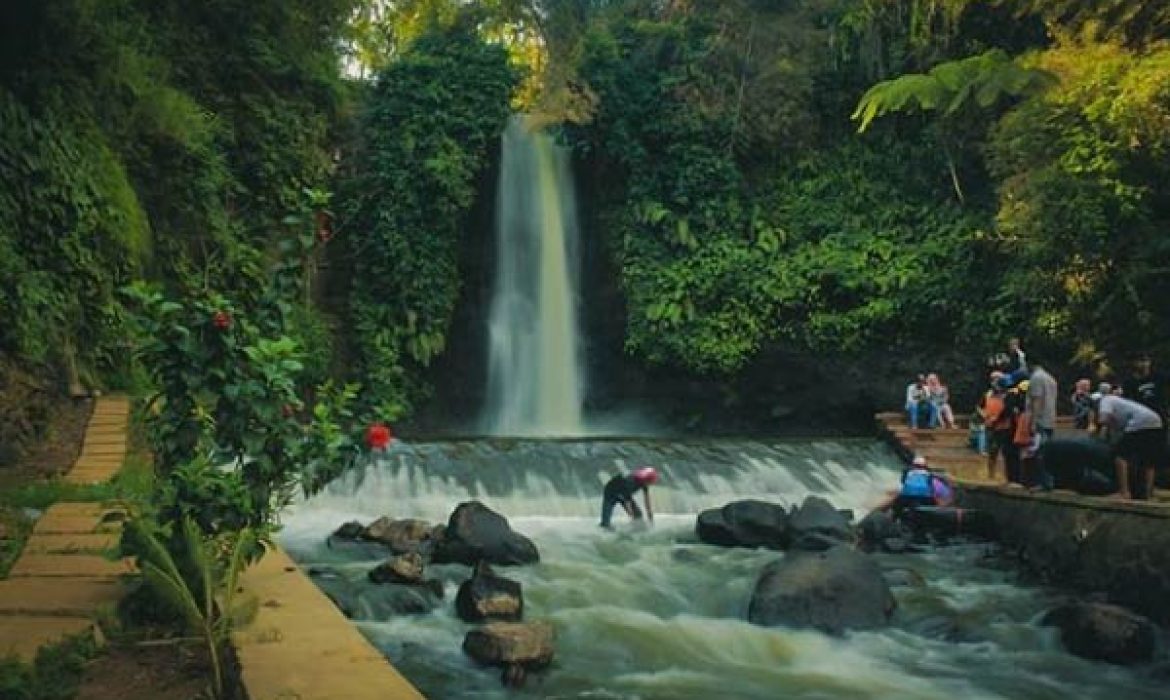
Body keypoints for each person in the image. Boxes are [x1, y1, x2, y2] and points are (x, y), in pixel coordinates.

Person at [1091, 393, 1164, 500]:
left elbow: (1103, 420)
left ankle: (1124, 492)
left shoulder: (1105, 400)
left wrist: (1098, 435)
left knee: (1120, 457)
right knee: (1148, 461)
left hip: (1140, 422)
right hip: (1156, 421)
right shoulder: (1121, 404)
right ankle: (1148, 494)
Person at [886, 456, 954, 517]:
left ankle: (894, 518)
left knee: (896, 508)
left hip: (907, 496)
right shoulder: (929, 474)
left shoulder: (907, 472)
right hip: (925, 497)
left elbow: (903, 482)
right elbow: (930, 486)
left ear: (913, 465)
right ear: (924, 466)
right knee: (934, 509)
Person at [1027, 360, 1058, 489]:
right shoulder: (1050, 378)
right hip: (1050, 419)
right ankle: (1049, 481)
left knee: (1039, 452)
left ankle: (1043, 483)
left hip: (1040, 421)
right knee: (1048, 452)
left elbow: (1037, 400)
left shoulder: (1036, 378)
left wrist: (1033, 422)